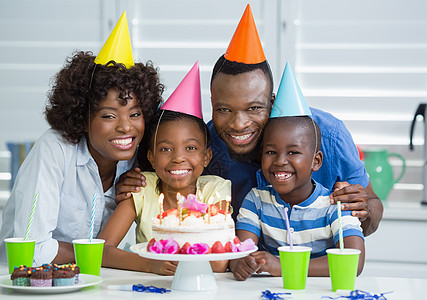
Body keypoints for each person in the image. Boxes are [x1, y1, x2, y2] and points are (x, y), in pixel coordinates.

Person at [115, 4, 383, 236]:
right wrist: (139, 185)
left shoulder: (328, 135)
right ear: (211, 104)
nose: (238, 124)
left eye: (254, 108)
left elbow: (373, 209)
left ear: (273, 102)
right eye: (223, 110)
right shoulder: (203, 150)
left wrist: (364, 208)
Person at [0, 12, 164, 265]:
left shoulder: (140, 161)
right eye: (109, 115)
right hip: (25, 282)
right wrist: (108, 256)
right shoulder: (54, 150)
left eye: (135, 113)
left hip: (90, 282)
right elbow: (32, 251)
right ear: (82, 116)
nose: (125, 127)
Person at [230, 64, 365, 280]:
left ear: (316, 161)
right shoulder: (256, 201)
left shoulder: (335, 205)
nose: (280, 161)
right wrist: (240, 263)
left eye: (293, 152)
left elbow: (353, 262)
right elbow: (241, 252)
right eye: (271, 151)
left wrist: (285, 267)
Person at [98, 62, 231, 275]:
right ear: (151, 157)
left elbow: (220, 262)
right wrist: (151, 264)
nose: (178, 158)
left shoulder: (214, 191)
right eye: (166, 148)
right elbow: (101, 250)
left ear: (206, 156)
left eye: (190, 148)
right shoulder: (142, 189)